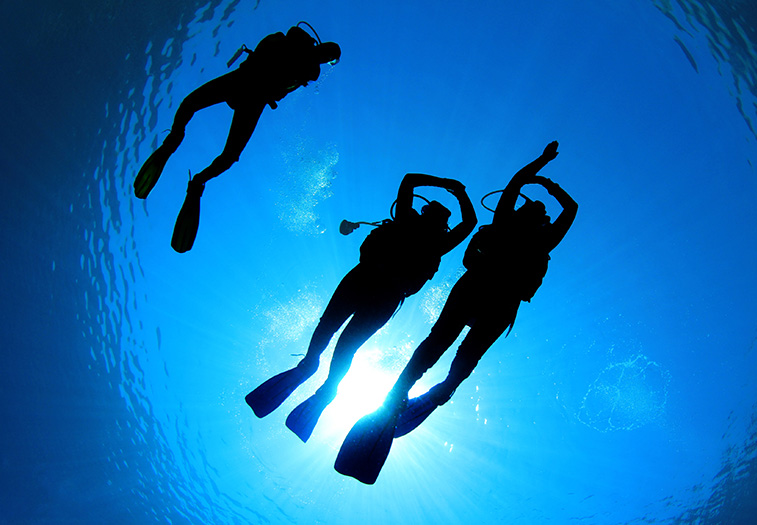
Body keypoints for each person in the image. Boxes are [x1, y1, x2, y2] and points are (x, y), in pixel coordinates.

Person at [334, 141, 577, 484]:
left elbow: (554, 202)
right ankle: (423, 390)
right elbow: (527, 190)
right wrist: (542, 171)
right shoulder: (526, 230)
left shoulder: (527, 231)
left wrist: (542, 175)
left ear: (537, 220)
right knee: (449, 346)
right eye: (537, 211)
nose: (539, 214)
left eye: (540, 213)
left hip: (487, 294)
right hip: (490, 296)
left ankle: (423, 390)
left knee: (451, 347)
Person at [245, 173, 477, 442]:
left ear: (440, 223)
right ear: (429, 214)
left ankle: (321, 376)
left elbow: (420, 189)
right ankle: (316, 371)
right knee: (335, 332)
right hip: (376, 286)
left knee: (338, 335)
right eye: (434, 212)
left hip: (376, 286)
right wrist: (457, 191)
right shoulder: (421, 230)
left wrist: (450, 186)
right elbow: (413, 183)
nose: (435, 217)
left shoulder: (428, 235)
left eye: (439, 215)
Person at [133, 23, 341, 253]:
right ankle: (187, 163)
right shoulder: (303, 60)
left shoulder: (297, 54)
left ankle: (187, 165)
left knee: (199, 115)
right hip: (250, 91)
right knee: (211, 131)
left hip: (247, 89)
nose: (324, 62)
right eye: (329, 59)